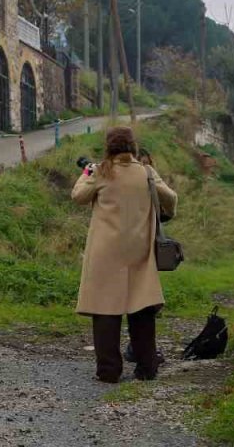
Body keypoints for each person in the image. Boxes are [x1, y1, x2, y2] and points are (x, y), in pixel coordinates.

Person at [72, 126, 178, 383]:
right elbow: (171, 199)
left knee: (105, 311)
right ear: (133, 146)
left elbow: (78, 197)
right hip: (139, 250)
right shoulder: (146, 172)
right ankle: (147, 367)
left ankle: (108, 371)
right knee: (141, 309)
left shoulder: (101, 172)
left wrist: (86, 173)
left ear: (108, 147)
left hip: (105, 251)